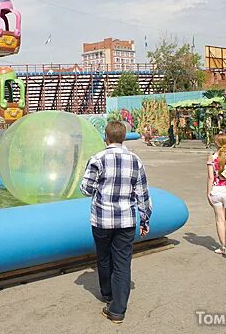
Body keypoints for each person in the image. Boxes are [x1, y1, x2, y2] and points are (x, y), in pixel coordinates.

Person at [80, 121, 152, 324]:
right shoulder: (136, 160)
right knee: (122, 263)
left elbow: (85, 189)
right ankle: (118, 310)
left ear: (107, 137)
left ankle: (108, 294)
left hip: (102, 219)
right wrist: (145, 219)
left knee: (103, 257)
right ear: (124, 137)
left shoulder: (97, 159)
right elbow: (142, 194)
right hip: (127, 220)